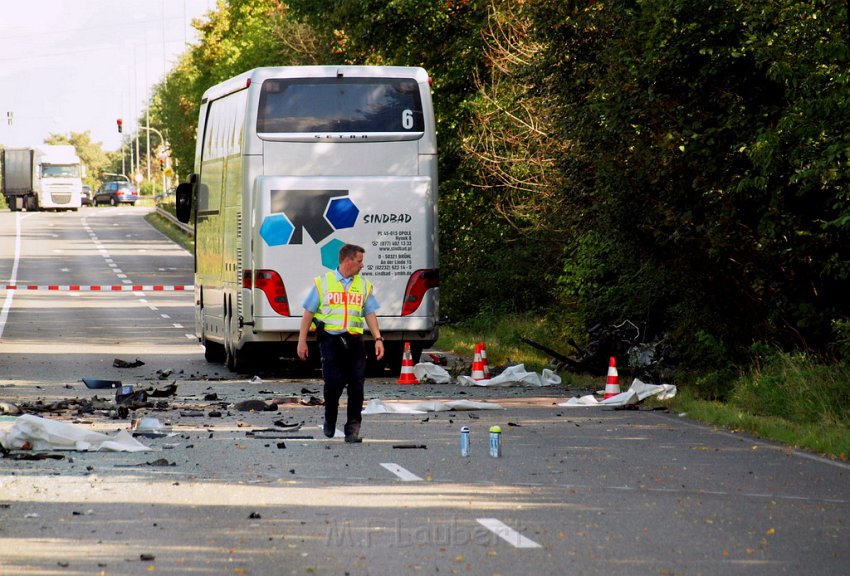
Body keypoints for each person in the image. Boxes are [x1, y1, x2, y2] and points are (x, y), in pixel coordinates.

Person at [297, 244, 384, 443]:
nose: (362, 265)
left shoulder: (363, 285)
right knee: (334, 382)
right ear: (348, 260)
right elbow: (308, 313)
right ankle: (330, 418)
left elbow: (369, 312)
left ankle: (352, 430)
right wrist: (302, 341)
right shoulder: (323, 283)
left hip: (354, 341)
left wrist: (378, 338)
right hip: (330, 340)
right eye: (359, 261)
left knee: (356, 386)